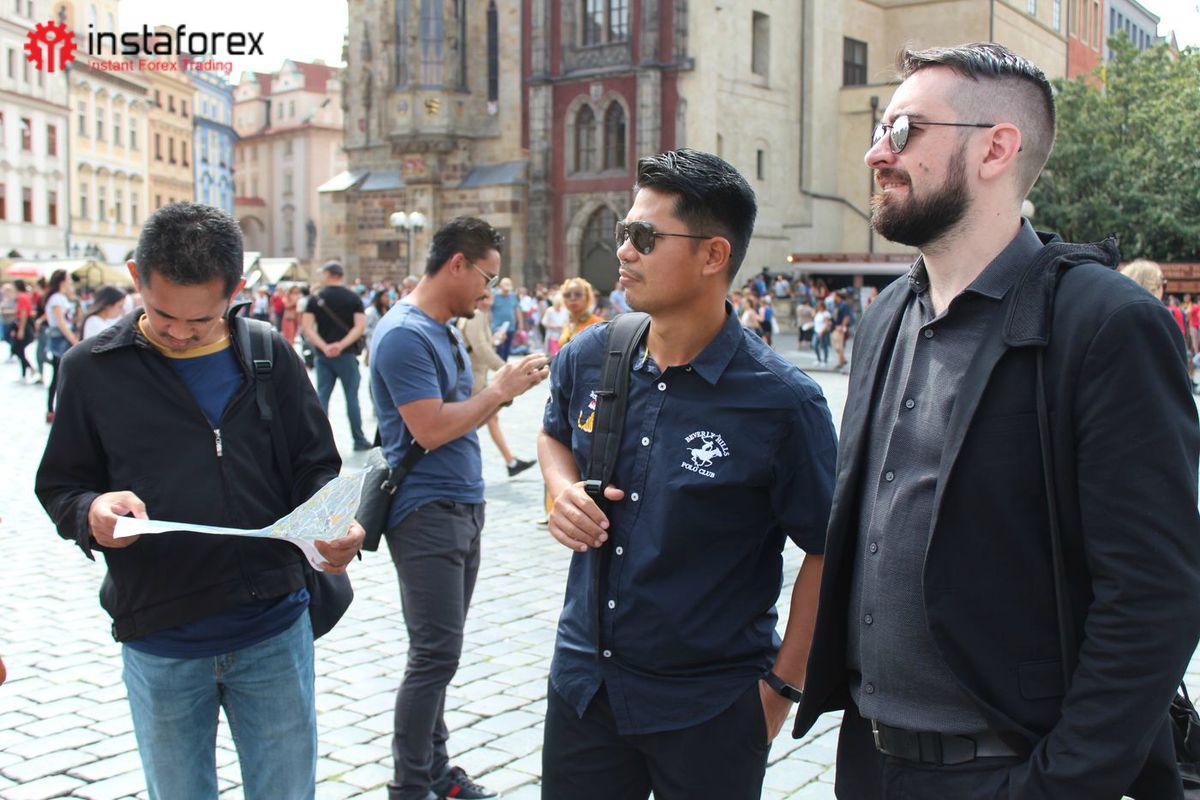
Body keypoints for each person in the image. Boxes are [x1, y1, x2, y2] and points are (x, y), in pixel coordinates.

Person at [793, 43, 1200, 800]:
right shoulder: (886, 315)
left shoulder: (1104, 322)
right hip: (870, 763)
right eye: (881, 129)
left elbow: (1154, 596)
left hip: (1010, 770)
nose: (877, 153)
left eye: (905, 130)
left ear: (995, 148)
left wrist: (1060, 783)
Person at [35, 202, 365, 800]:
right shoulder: (90, 369)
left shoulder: (269, 353)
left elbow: (315, 465)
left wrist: (335, 523)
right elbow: (61, 483)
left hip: (273, 627)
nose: (182, 333)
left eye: (202, 319)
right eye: (164, 314)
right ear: (136, 278)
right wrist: (91, 513)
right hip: (160, 636)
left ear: (235, 291)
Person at [538, 149, 837, 800]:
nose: (624, 251)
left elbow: (826, 548)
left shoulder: (783, 402)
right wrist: (560, 491)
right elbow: (554, 433)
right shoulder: (589, 355)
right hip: (586, 687)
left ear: (713, 256)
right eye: (624, 232)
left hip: (711, 705)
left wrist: (781, 689)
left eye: (645, 237)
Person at [369, 216, 549, 800]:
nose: (489, 293)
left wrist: (501, 390)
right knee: (434, 655)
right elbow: (428, 428)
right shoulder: (405, 334)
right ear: (457, 264)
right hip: (426, 510)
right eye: (487, 279)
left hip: (460, 504)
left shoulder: (442, 329)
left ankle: (436, 772)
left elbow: (457, 414)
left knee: (440, 654)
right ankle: (410, 785)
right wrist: (498, 391)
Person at [457, 291, 537, 477]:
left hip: (476, 374)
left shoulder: (479, 315)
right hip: (474, 377)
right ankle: (464, 464)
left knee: (490, 417)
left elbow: (480, 344)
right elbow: (480, 348)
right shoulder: (476, 315)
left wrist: (494, 340)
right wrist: (505, 368)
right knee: (471, 424)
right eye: (485, 296)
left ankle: (511, 461)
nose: (490, 299)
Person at [301, 262, 371, 452]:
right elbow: (360, 326)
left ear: (328, 274)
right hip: (346, 354)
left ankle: (319, 441)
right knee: (352, 398)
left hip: (323, 356)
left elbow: (307, 328)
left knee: (322, 397)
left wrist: (324, 346)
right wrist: (341, 345)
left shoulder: (316, 298)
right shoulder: (353, 297)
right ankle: (358, 439)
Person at [43, 269, 79, 423]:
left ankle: (55, 409)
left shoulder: (60, 297)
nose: (70, 281)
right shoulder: (56, 298)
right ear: (62, 280)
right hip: (61, 339)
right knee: (59, 376)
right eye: (68, 278)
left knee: (60, 375)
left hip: (62, 338)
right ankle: (53, 410)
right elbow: (61, 322)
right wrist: (73, 340)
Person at [557, 276, 604, 349]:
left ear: (587, 297)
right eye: (567, 295)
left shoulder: (598, 324)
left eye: (578, 294)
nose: (572, 298)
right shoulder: (567, 323)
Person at [490, 277, 520, 361]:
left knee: (507, 349)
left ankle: (504, 363)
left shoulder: (512, 296)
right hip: (498, 327)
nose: (507, 291)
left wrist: (519, 325)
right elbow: (489, 311)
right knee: (500, 349)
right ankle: (499, 365)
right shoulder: (495, 296)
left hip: (510, 327)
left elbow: (517, 310)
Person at [11, 279, 35, 382]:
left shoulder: (21, 297)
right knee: (19, 350)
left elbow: (24, 313)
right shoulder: (24, 296)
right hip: (23, 324)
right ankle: (26, 372)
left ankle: (29, 369)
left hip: (24, 325)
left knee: (18, 349)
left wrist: (21, 329)